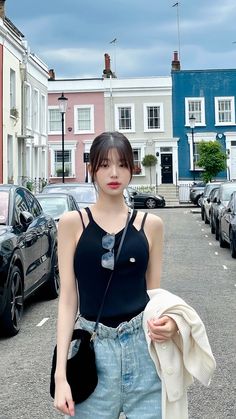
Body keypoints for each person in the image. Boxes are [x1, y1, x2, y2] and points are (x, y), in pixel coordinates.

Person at [54, 131, 178, 418]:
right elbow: (67, 301)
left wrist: (169, 325)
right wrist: (61, 375)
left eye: (122, 164)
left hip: (145, 353)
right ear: (91, 169)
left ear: (132, 169)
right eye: (104, 164)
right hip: (93, 351)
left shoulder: (152, 225)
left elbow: (154, 298)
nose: (114, 173)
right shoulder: (72, 223)